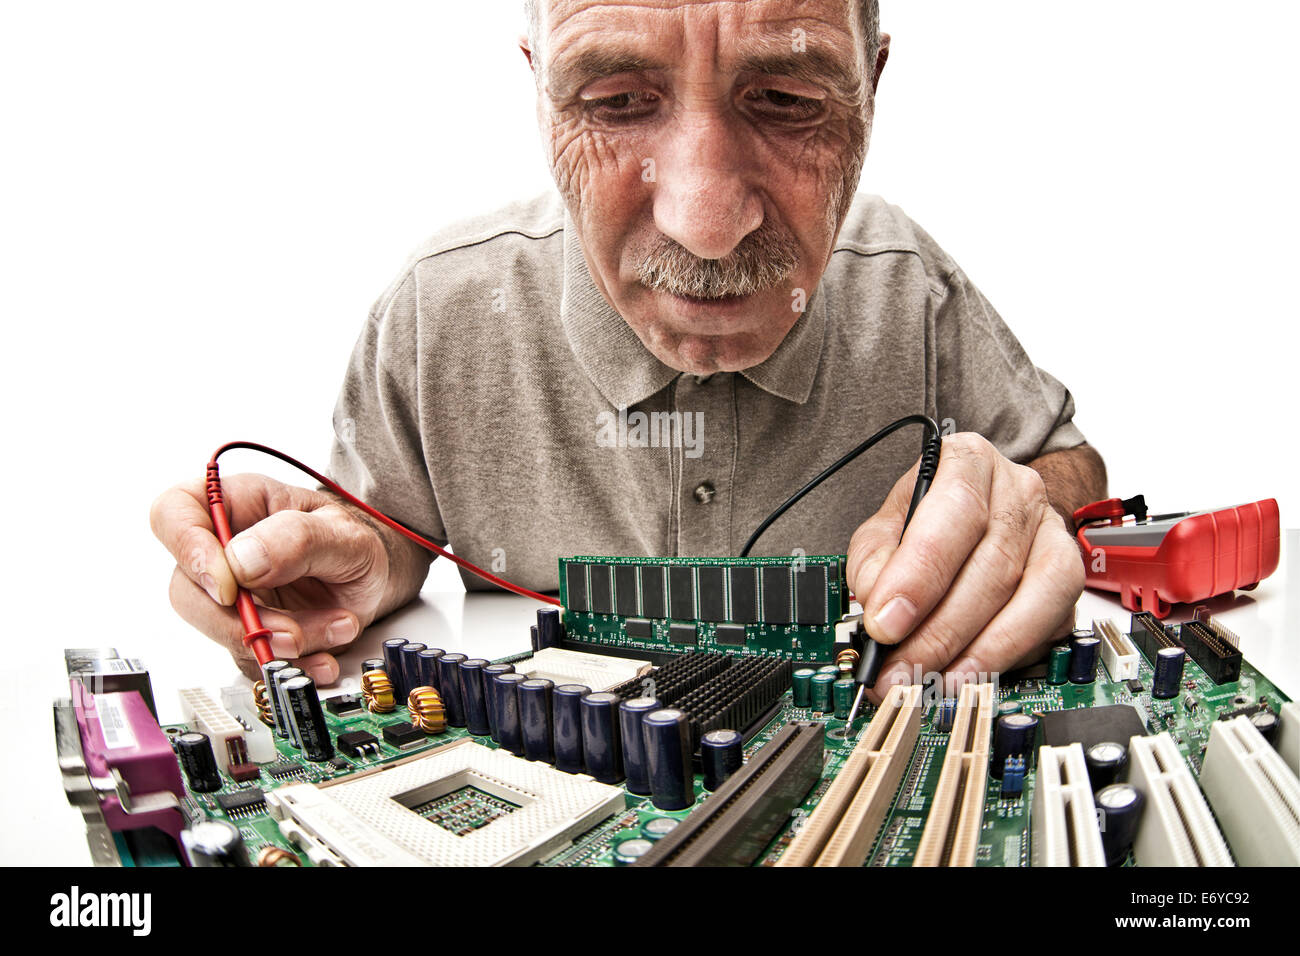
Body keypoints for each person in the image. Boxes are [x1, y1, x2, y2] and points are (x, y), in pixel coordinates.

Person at [150, 0, 1105, 701]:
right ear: (537, 86)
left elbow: (1071, 470)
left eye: (785, 96)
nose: (705, 224)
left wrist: (1025, 503)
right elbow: (389, 537)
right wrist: (354, 562)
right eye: (614, 100)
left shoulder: (913, 285)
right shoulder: (437, 310)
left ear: (872, 85)